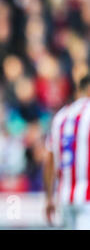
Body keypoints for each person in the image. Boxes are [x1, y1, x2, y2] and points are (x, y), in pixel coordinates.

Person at [44, 74, 90, 229]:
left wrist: (49, 197)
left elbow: (49, 159)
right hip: (87, 198)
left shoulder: (60, 116)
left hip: (63, 196)